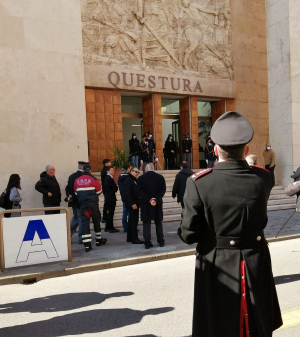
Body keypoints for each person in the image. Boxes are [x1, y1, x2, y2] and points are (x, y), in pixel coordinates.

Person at [178, 111, 282, 337]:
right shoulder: (263, 178)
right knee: (257, 325)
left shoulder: (198, 183)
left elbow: (188, 234)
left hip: (217, 265)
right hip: (255, 260)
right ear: (246, 150)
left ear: (215, 150)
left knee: (219, 326)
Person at [74, 164, 107, 252]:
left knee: (85, 223)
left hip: (83, 205)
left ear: (82, 170)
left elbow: (76, 193)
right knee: (96, 222)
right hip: (93, 204)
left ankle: (87, 245)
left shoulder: (77, 180)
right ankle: (98, 240)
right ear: (90, 171)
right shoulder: (94, 179)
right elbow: (99, 191)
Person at [137, 163, 166, 249]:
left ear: (146, 169)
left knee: (146, 223)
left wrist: (149, 199)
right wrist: (156, 199)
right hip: (157, 203)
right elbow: (163, 190)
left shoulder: (141, 178)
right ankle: (161, 241)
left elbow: (140, 191)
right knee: (158, 222)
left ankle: (147, 242)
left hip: (146, 203)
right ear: (153, 168)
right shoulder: (160, 177)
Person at [65, 161, 87, 244]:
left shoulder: (72, 176)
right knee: (80, 218)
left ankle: (67, 235)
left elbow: (67, 188)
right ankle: (81, 237)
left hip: (73, 201)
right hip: (79, 201)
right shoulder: (83, 176)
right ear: (83, 167)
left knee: (76, 218)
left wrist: (69, 196)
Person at [124, 167, 144, 244]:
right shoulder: (128, 180)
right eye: (136, 172)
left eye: (138, 172)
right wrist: (132, 203)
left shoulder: (134, 180)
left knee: (132, 220)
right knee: (133, 221)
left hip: (135, 203)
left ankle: (130, 237)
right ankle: (134, 238)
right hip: (133, 204)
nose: (137, 173)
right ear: (131, 172)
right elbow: (128, 193)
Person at [103, 166, 119, 233]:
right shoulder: (109, 178)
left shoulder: (106, 178)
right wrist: (115, 188)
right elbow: (115, 188)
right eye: (111, 170)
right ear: (107, 171)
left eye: (113, 170)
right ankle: (110, 227)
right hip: (110, 198)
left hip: (108, 197)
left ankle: (108, 227)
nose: (113, 171)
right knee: (110, 213)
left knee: (110, 213)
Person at [118, 163, 131, 232]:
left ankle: (125, 226)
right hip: (129, 197)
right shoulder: (129, 177)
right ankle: (130, 226)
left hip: (123, 197)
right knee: (130, 213)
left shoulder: (120, 177)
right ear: (128, 169)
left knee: (125, 212)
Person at [101, 158, 111, 224]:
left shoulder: (104, 170)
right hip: (106, 189)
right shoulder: (105, 171)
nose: (111, 164)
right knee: (106, 204)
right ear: (106, 164)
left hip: (106, 189)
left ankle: (105, 217)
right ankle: (104, 217)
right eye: (109, 162)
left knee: (107, 203)